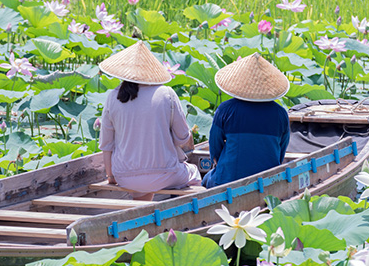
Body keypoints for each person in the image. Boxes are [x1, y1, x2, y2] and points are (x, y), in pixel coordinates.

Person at [97, 41, 200, 201]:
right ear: (152, 71)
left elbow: (106, 144)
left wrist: (110, 175)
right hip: (165, 174)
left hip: (124, 176)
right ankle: (184, 218)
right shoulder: (167, 93)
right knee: (194, 172)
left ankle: (141, 212)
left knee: (143, 185)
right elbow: (182, 137)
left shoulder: (113, 96)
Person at [202, 53, 291, 189]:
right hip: (268, 182)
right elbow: (281, 152)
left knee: (206, 180)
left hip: (227, 181)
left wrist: (222, 165)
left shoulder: (225, 109)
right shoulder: (281, 113)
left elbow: (215, 146)